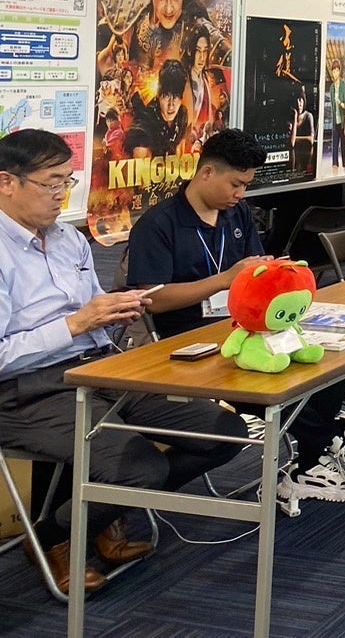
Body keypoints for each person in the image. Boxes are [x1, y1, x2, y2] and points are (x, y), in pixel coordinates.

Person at [0, 129, 247, 594]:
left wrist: (117, 312)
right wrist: (76, 324)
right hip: (25, 389)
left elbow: (95, 309)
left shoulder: (69, 240)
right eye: (51, 183)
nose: (61, 195)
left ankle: (98, 513)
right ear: (7, 182)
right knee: (141, 469)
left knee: (225, 432)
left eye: (67, 182)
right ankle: (54, 537)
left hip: (99, 366)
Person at [127, 129, 345, 516]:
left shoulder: (238, 213)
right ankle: (330, 438)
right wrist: (223, 280)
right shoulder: (159, 224)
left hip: (247, 325)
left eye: (246, 185)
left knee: (323, 367)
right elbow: (153, 300)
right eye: (236, 184)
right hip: (189, 339)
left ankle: (312, 463)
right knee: (267, 386)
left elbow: (254, 274)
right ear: (207, 173)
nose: (240, 194)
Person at [134, 58, 191, 156]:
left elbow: (179, 152)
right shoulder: (146, 121)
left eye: (176, 96)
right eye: (166, 96)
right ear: (159, 95)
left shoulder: (182, 115)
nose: (171, 104)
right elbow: (139, 159)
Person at [325, 59, 345, 174]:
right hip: (335, 121)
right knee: (335, 144)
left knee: (343, 144)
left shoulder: (343, 85)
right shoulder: (331, 88)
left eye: (337, 71)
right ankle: (335, 164)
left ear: (339, 71)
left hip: (343, 121)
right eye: (333, 71)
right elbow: (332, 107)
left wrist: (340, 103)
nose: (335, 73)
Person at [289, 88, 315, 175]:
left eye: (300, 100)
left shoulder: (308, 116)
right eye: (296, 100)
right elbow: (291, 144)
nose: (299, 104)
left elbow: (311, 140)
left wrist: (294, 137)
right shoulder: (290, 117)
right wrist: (295, 116)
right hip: (292, 155)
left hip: (306, 154)